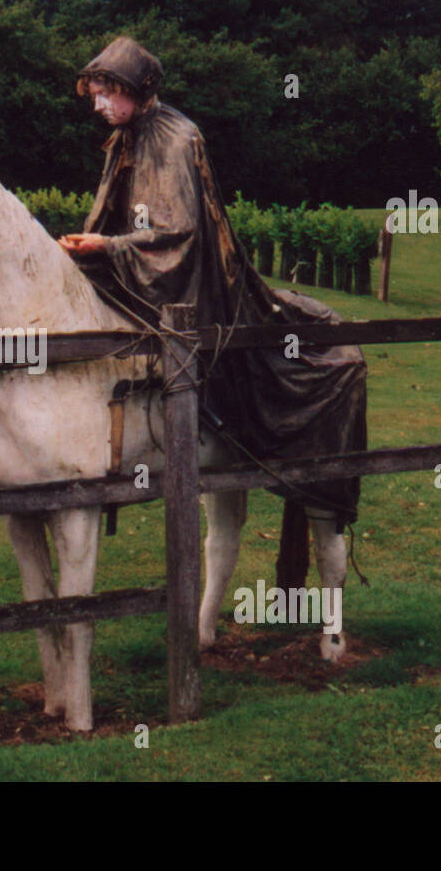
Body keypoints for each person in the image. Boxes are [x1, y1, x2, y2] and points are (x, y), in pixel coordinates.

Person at [59, 36, 367, 531]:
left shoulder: (178, 139)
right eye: (93, 93)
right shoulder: (128, 136)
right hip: (135, 262)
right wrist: (94, 242)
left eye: (104, 94)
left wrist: (108, 247)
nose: (96, 105)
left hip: (186, 281)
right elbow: (119, 212)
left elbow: (179, 230)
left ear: (136, 90)